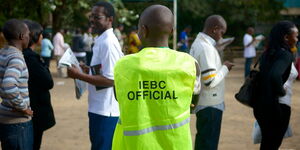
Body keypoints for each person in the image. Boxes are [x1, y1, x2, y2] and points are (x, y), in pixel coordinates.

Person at [112, 5, 200, 150]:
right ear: (172, 31)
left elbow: (118, 97)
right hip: (176, 145)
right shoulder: (190, 64)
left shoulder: (123, 65)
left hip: (133, 145)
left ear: (143, 30)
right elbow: (193, 104)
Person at [67, 1, 123, 150]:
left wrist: (79, 76)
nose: (92, 20)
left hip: (106, 110)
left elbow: (111, 80)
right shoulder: (101, 40)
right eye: (91, 16)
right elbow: (104, 71)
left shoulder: (108, 43)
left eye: (97, 17)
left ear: (109, 19)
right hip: (98, 107)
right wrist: (88, 70)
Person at [189, 15, 234, 150]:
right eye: (221, 32)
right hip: (210, 104)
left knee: (203, 140)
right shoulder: (205, 48)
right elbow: (210, 81)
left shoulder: (200, 44)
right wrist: (225, 67)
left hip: (205, 103)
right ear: (215, 29)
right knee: (209, 143)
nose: (221, 36)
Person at [253, 21, 298, 150]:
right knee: (272, 145)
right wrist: (281, 92)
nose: (297, 39)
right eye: (295, 36)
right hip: (278, 106)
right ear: (286, 37)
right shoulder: (285, 54)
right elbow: (274, 75)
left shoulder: (268, 53)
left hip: (262, 105)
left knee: (267, 144)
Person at [0, 19, 33, 150]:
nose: (29, 37)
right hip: (17, 123)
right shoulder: (16, 58)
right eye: (28, 34)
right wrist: (23, 107)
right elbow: (9, 85)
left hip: (5, 117)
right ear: (21, 36)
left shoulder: (3, 53)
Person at [22, 20, 55, 150]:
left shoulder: (24, 56)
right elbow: (48, 82)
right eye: (40, 34)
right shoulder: (31, 58)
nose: (42, 36)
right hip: (34, 111)